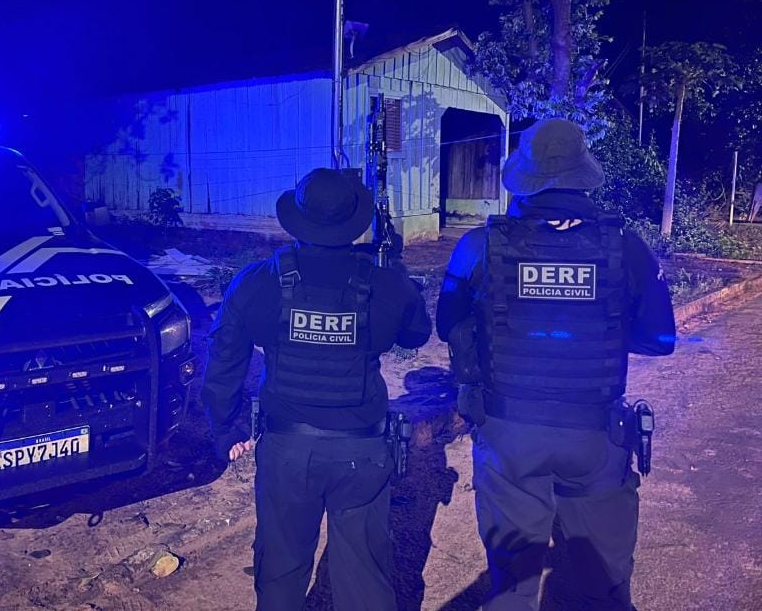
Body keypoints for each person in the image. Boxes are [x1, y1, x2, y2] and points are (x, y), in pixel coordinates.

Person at [436, 118, 676, 611]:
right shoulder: (626, 247)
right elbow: (660, 340)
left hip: (510, 435)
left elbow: (448, 325)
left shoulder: (479, 247)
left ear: (524, 178)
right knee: (605, 589)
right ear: (582, 175)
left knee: (513, 591)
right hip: (596, 434)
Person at [202, 167, 431, 611]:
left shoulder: (257, 281)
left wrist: (226, 427)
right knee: (365, 579)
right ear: (353, 221)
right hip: (362, 452)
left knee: (280, 574)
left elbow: (225, 359)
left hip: (287, 451)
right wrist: (393, 275)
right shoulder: (384, 284)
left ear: (298, 218)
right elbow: (416, 335)